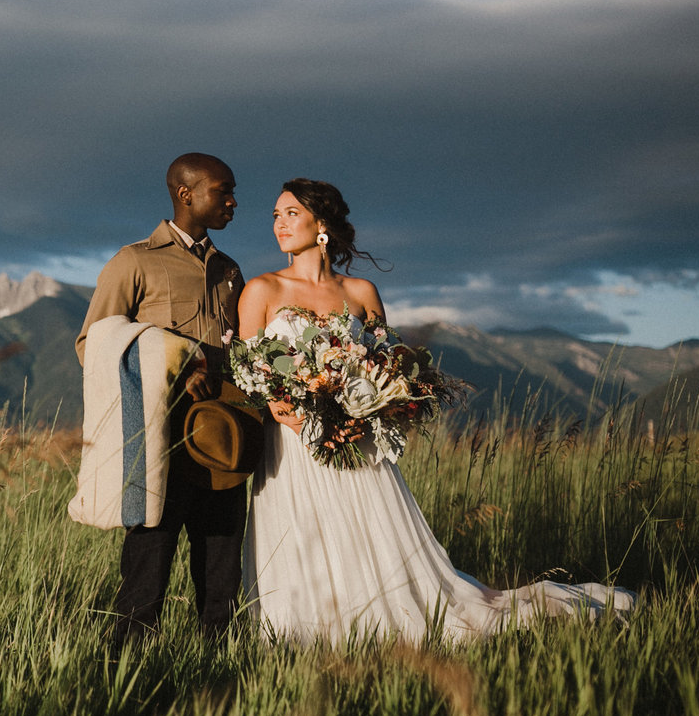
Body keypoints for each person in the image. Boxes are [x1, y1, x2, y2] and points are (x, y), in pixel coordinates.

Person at [238, 178, 636, 643]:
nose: (279, 225)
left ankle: (380, 620)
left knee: (376, 542)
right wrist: (288, 409)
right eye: (275, 216)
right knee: (303, 533)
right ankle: (307, 628)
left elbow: (388, 369)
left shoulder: (361, 292)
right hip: (293, 443)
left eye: (290, 214)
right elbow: (251, 374)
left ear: (321, 223)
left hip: (360, 441)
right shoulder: (261, 290)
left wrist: (369, 408)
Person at [74, 152, 246, 645]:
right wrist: (169, 360)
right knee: (149, 561)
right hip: (159, 439)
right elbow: (93, 346)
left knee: (222, 564)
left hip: (223, 437)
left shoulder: (230, 269)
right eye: (223, 190)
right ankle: (125, 663)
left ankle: (222, 662)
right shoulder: (134, 261)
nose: (233, 201)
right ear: (185, 193)